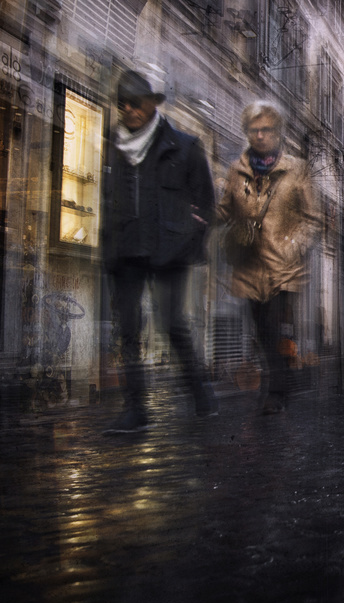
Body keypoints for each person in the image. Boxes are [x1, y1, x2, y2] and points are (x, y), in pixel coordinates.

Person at [102, 70, 217, 433]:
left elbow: (206, 205)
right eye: (122, 103)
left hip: (169, 250)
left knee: (172, 325)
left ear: (152, 104)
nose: (128, 109)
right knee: (128, 329)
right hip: (126, 250)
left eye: (136, 102)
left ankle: (199, 391)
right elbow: (109, 198)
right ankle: (135, 408)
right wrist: (108, 248)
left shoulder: (184, 146)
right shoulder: (114, 146)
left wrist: (189, 242)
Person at [216, 100, 318, 415]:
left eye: (266, 129)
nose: (260, 135)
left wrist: (293, 246)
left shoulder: (297, 170)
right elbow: (225, 210)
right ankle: (280, 382)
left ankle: (277, 391)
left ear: (278, 133)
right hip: (249, 266)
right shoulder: (237, 171)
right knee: (260, 331)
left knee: (274, 329)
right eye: (254, 130)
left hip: (283, 268)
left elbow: (312, 219)